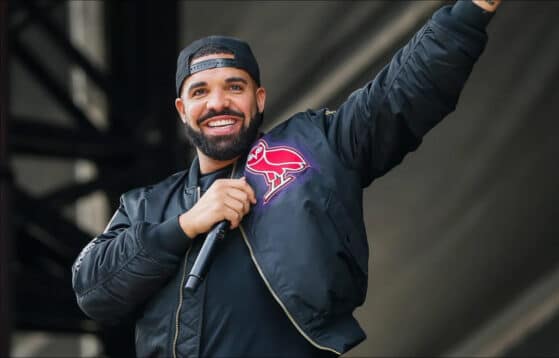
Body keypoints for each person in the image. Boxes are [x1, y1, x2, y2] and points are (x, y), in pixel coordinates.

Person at [72, 0, 502, 356]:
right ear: (182, 110)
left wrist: (470, 11)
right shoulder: (146, 206)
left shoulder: (314, 145)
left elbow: (398, 94)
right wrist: (185, 224)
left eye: (234, 86)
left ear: (259, 99)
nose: (218, 102)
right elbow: (92, 289)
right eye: (200, 91)